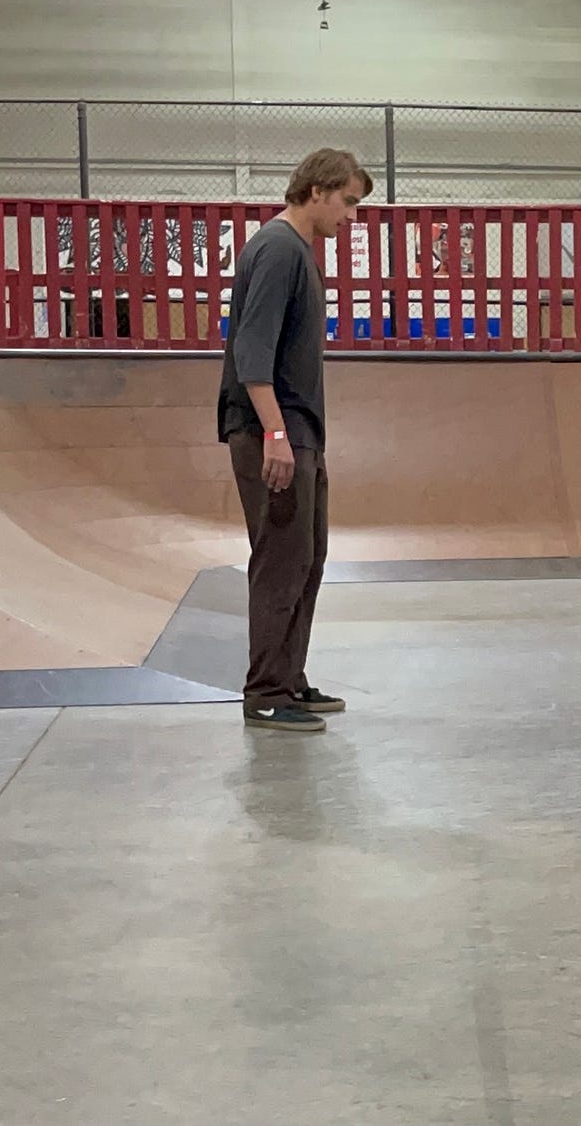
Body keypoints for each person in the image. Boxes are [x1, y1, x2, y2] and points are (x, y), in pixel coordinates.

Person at [217, 148, 373, 733]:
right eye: (349, 203)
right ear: (318, 191)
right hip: (272, 431)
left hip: (298, 432)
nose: (352, 218)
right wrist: (276, 434)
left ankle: (288, 678)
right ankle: (264, 691)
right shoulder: (279, 249)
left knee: (307, 555)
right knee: (282, 558)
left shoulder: (295, 252)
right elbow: (250, 353)